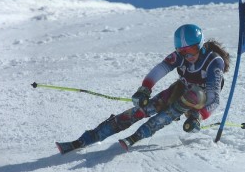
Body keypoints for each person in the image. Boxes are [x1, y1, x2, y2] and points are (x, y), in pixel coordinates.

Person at [55, 23, 230, 154]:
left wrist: (199, 116)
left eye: (192, 49)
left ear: (201, 45)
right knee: (145, 108)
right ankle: (89, 137)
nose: (188, 56)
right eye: (183, 52)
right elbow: (161, 69)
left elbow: (214, 98)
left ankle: (142, 133)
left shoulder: (214, 61)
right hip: (181, 90)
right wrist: (145, 89)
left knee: (193, 96)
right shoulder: (180, 56)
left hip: (200, 100)